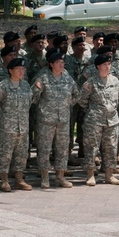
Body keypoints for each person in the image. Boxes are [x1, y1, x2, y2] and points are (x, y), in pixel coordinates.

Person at [32, 51, 78, 189]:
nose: (61, 65)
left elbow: (77, 94)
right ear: (51, 64)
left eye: (63, 62)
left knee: (62, 149)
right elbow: (34, 96)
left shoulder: (67, 77)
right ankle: (45, 177)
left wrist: (66, 104)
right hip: (46, 120)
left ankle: (60, 176)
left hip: (63, 120)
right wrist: (44, 109)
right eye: (58, 62)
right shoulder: (43, 78)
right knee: (44, 149)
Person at [0, 57, 33, 191]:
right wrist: (2, 115)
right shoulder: (2, 86)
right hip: (7, 127)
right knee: (5, 154)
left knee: (21, 154)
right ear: (10, 70)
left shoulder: (25, 85)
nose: (21, 72)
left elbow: (30, 101)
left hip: (23, 127)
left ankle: (19, 179)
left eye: (23, 69)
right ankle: (4, 180)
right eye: (18, 69)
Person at [78, 52, 119, 186]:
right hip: (94, 121)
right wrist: (94, 111)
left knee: (111, 147)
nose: (108, 67)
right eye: (105, 64)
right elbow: (82, 100)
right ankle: (90, 174)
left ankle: (109, 174)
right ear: (98, 66)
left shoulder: (115, 81)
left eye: (109, 64)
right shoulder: (90, 82)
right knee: (92, 147)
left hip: (112, 120)